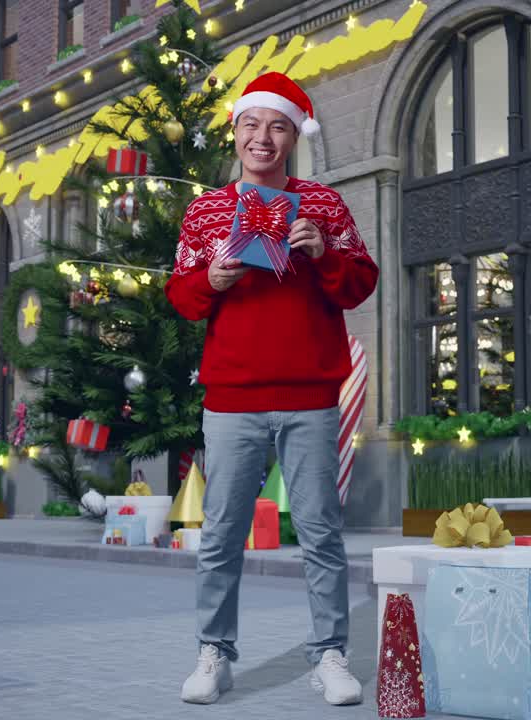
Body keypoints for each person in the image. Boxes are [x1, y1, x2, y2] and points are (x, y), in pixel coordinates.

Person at [165, 71, 378, 706]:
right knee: (223, 532)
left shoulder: (323, 205)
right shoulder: (207, 210)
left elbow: (361, 283)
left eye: (277, 126)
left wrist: (324, 256)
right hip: (233, 396)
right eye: (252, 125)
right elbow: (182, 296)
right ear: (236, 133)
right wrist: (214, 279)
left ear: (292, 136)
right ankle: (214, 653)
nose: (263, 137)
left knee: (320, 531)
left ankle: (331, 654)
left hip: (310, 393)